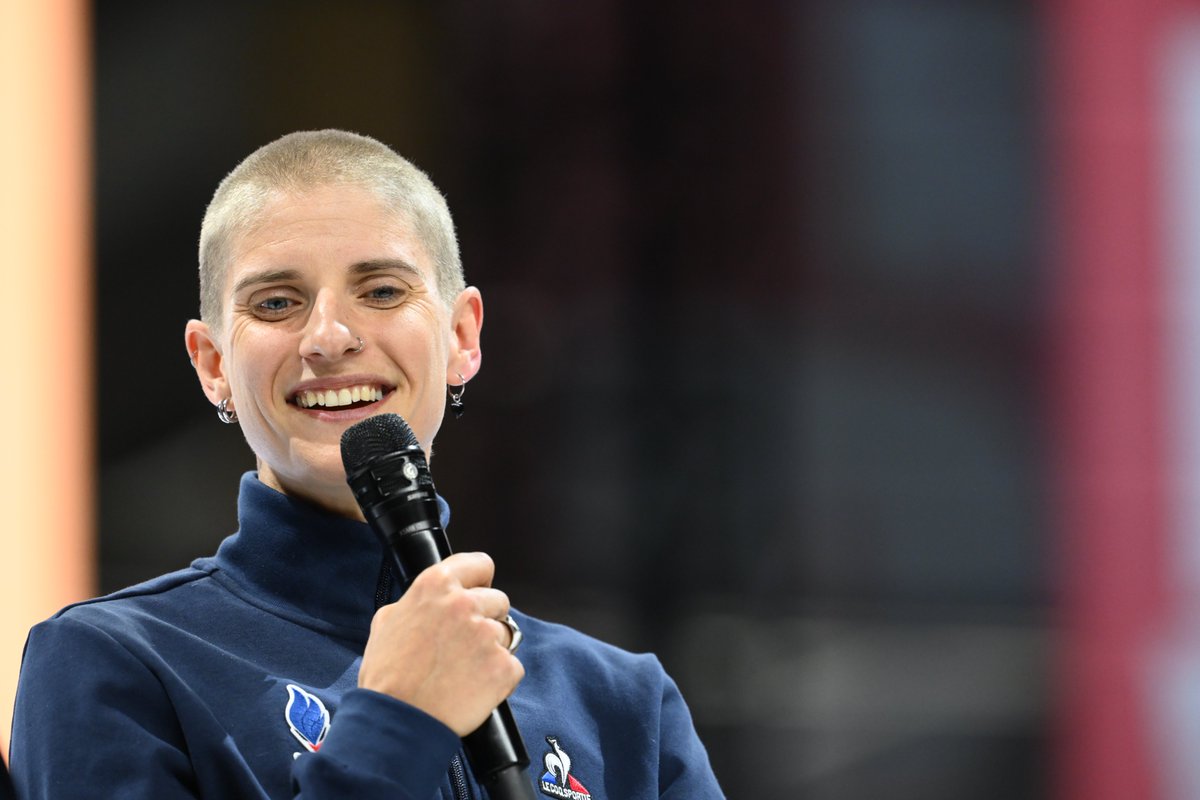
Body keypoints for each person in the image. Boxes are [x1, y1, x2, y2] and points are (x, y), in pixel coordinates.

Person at [10, 130, 723, 799]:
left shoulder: (621, 703)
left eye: (382, 290)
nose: (329, 336)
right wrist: (395, 725)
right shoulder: (110, 667)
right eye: (277, 301)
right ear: (214, 364)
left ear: (462, 337)